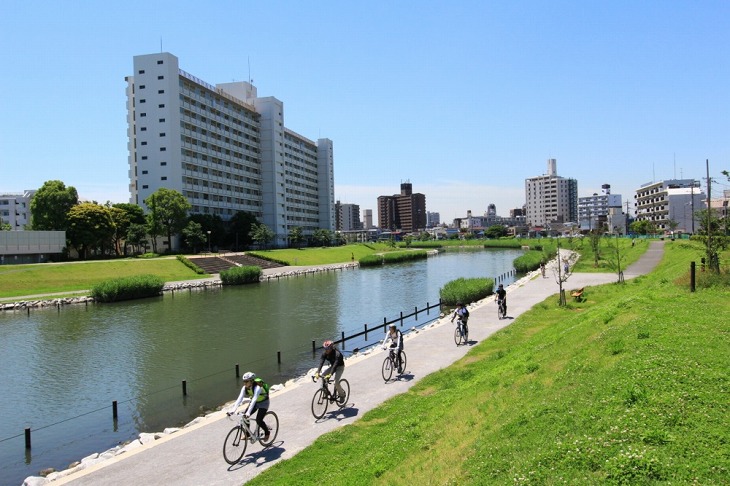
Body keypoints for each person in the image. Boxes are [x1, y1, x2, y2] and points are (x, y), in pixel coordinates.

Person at [227, 371, 270, 442]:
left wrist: (248, 413)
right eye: (244, 381)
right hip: (255, 403)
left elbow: (254, 400)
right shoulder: (244, 388)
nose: (245, 383)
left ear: (251, 381)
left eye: (246, 381)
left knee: (258, 420)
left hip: (263, 403)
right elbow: (239, 399)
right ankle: (248, 434)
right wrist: (232, 410)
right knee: (244, 418)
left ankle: (267, 432)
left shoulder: (257, 388)